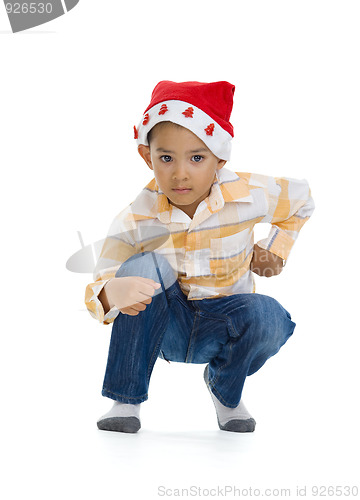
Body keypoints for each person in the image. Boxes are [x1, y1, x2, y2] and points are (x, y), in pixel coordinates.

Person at [84, 80, 315, 434]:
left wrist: (274, 251)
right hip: (165, 329)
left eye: (197, 158)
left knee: (270, 315)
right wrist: (111, 293)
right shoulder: (136, 218)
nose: (180, 173)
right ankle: (125, 400)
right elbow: (100, 281)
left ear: (219, 158)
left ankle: (226, 389)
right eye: (166, 158)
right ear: (147, 157)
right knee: (145, 265)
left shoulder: (251, 194)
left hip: (223, 325)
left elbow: (301, 201)